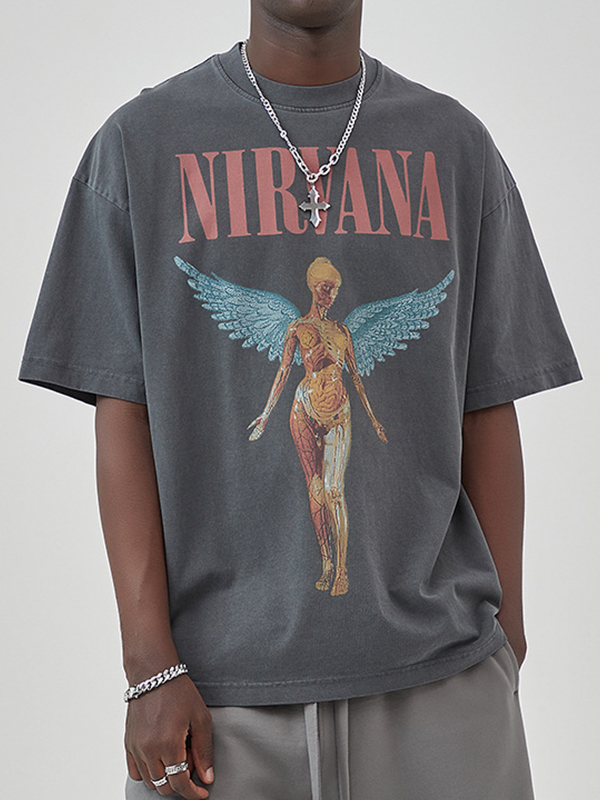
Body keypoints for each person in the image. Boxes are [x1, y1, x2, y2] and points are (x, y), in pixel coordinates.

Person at [17, 1, 583, 798]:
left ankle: (339, 572)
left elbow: (487, 400)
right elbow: (125, 410)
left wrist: (504, 641)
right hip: (216, 704)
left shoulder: (455, 147)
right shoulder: (139, 147)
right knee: (319, 491)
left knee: (332, 495)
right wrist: (149, 668)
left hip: (442, 685)